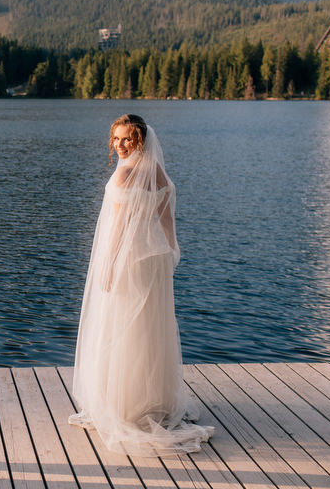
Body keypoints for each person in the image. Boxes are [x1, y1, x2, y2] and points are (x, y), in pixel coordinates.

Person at [68, 114, 213, 457]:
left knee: (122, 328)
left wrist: (108, 264)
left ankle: (124, 406)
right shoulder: (160, 174)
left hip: (130, 260)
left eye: (126, 140)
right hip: (156, 258)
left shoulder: (124, 173)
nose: (119, 146)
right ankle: (153, 401)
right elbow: (165, 218)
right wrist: (173, 249)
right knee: (151, 328)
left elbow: (118, 227)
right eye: (116, 140)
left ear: (139, 141)